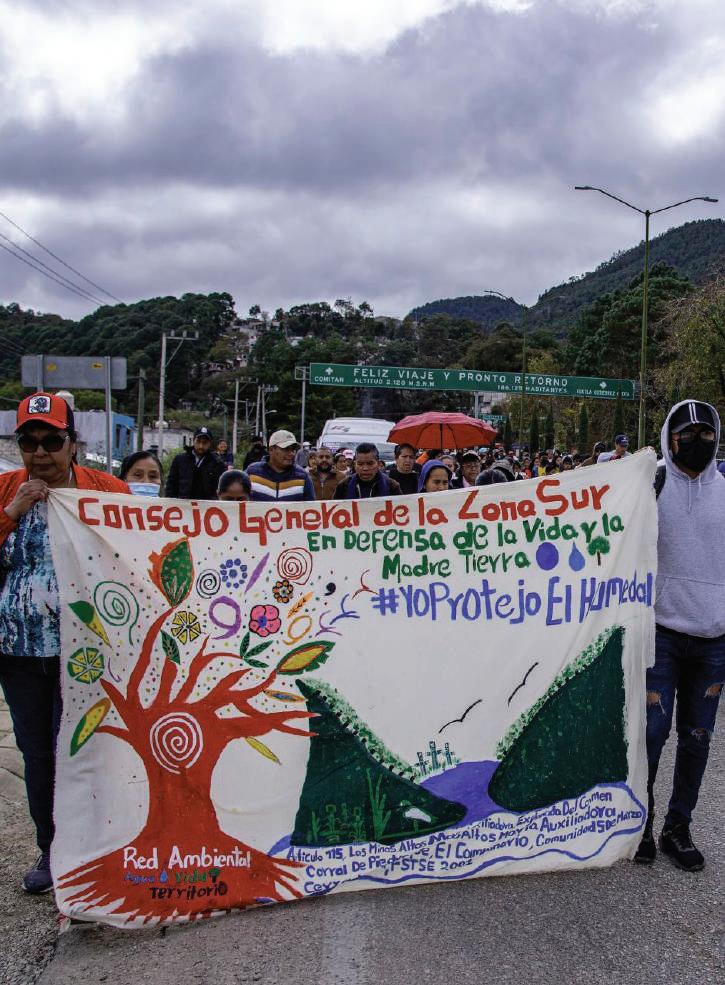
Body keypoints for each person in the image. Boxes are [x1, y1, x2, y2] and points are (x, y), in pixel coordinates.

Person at [0, 392, 129, 894]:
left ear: (73, 443)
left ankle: (97, 846)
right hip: (18, 651)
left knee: (86, 750)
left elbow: (139, 550)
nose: (40, 453)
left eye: (52, 441)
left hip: (86, 653)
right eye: (29, 442)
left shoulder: (107, 490)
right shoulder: (6, 489)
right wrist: (12, 511)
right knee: (38, 755)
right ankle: (52, 850)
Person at [634, 400, 725, 871]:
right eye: (687, 433)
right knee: (651, 733)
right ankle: (640, 824)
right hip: (661, 633)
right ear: (670, 437)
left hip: (714, 639)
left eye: (707, 434)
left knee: (697, 738)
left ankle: (677, 828)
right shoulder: (650, 486)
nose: (697, 441)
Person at [246, 430, 315, 502]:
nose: (291, 453)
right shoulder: (252, 472)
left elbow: (311, 506)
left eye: (293, 449)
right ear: (271, 450)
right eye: (286, 449)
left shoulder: (303, 476)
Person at [165, 427, 225, 500]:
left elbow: (221, 489)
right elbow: (171, 485)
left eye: (205, 443)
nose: (201, 446)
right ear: (193, 441)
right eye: (198, 441)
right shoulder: (180, 460)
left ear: (210, 443)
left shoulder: (217, 463)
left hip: (207, 505)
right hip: (182, 504)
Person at [334, 443, 402, 499]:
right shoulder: (343, 486)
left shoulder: (392, 486)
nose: (365, 468)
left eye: (370, 464)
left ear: (378, 464)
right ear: (354, 465)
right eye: (360, 464)